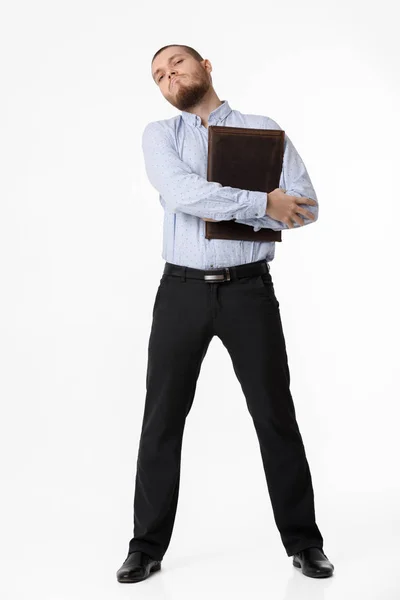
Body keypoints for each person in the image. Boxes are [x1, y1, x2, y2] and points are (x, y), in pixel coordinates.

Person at [116, 44, 334, 584]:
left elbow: (304, 206)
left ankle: (305, 543)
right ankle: (145, 547)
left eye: (177, 65)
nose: (169, 78)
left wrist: (275, 206)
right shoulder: (160, 136)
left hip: (249, 293)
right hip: (181, 292)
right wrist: (263, 204)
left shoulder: (263, 131)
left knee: (274, 415)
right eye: (159, 76)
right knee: (162, 420)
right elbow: (181, 192)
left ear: (205, 65)